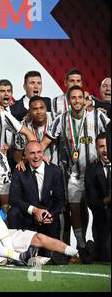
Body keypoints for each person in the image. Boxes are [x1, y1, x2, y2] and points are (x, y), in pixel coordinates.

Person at [42, 85, 109, 258]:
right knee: (75, 209)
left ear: (85, 99)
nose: (77, 101)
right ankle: (81, 245)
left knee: (100, 208)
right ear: (68, 100)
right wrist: (36, 154)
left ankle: (102, 245)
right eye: (73, 98)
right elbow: (45, 141)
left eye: (80, 97)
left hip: (96, 173)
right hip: (74, 174)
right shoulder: (61, 120)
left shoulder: (97, 116)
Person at [9, 141, 65, 242]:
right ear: (25, 155)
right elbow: (13, 199)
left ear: (43, 153)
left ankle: (55, 252)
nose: (36, 156)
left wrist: (49, 215)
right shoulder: (19, 171)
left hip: (48, 215)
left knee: (51, 255)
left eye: (39, 152)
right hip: (28, 215)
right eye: (32, 153)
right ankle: (16, 251)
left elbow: (60, 200)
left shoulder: (55, 171)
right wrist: (34, 211)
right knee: (13, 212)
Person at [84, 133, 111, 262]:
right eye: (101, 147)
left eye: (108, 146)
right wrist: (107, 200)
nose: (105, 150)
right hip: (103, 222)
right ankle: (92, 247)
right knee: (106, 257)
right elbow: (91, 202)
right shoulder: (91, 170)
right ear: (96, 148)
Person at [14, 96, 58, 165]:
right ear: (29, 111)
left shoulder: (56, 119)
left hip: (55, 167)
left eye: (41, 108)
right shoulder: (23, 126)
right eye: (35, 109)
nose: (39, 112)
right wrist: (22, 162)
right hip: (32, 169)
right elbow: (18, 154)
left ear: (46, 108)